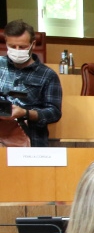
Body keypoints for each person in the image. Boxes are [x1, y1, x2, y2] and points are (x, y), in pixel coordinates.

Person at [0, 19, 62, 147]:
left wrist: (25, 113)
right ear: (6, 43)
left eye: (22, 47)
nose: (17, 50)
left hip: (32, 140)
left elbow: (54, 113)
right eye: (12, 46)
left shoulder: (48, 75)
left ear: (33, 45)